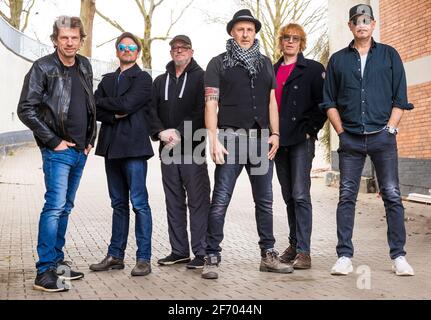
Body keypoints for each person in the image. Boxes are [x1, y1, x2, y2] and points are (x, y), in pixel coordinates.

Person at [320, 4, 415, 276]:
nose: (361, 24)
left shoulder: (389, 56)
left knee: (393, 196)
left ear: (373, 25)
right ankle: (344, 257)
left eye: (366, 20)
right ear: (350, 26)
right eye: (356, 21)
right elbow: (329, 101)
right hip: (350, 139)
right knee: (346, 197)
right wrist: (340, 132)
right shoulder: (338, 60)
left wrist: (391, 129)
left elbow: (400, 98)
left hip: (382, 139)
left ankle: (398, 256)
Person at [202, 9, 294, 280]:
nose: (245, 34)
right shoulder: (218, 63)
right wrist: (213, 139)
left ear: (255, 33)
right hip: (229, 139)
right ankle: (211, 255)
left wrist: (275, 134)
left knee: (265, 201)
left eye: (250, 30)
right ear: (232, 32)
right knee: (220, 200)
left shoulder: (265, 63)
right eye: (240, 29)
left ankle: (268, 255)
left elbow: (271, 102)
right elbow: (210, 103)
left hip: (261, 140)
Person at [17, 16, 96, 292]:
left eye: (75, 38)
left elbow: (90, 104)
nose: (70, 42)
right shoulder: (43, 67)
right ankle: (44, 271)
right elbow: (26, 108)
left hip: (80, 151)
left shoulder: (85, 65)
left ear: (81, 40)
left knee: (66, 207)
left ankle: (58, 263)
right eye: (64, 38)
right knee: (54, 207)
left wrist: (90, 139)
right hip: (58, 151)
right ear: (55, 40)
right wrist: (53, 141)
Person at [89, 32, 154, 277]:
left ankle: (144, 258)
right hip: (111, 149)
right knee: (118, 204)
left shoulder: (144, 79)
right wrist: (113, 112)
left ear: (137, 52)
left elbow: (128, 105)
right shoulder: (107, 79)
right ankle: (115, 255)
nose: (127, 50)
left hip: (135, 148)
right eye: (122, 47)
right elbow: (94, 107)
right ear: (117, 51)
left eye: (131, 47)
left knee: (139, 204)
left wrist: (112, 105)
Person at [149, 35, 210, 269]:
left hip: (192, 148)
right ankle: (179, 251)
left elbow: (202, 110)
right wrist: (160, 132)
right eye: (174, 48)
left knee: (198, 201)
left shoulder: (202, 78)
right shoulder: (159, 80)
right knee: (173, 201)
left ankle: (202, 252)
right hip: (167, 150)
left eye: (183, 48)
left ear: (191, 51)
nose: (178, 51)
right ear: (170, 52)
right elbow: (150, 110)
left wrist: (180, 133)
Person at [273, 23, 326, 269]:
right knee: (288, 196)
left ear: (302, 42)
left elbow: (323, 103)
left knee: (301, 194)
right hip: (278, 140)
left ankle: (304, 251)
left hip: (301, 141)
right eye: (286, 37)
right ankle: (294, 244)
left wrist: (310, 130)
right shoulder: (271, 70)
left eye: (296, 38)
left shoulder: (313, 69)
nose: (291, 41)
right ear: (281, 41)